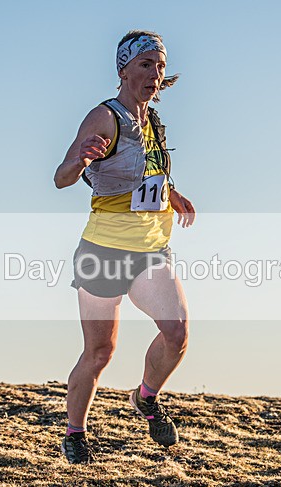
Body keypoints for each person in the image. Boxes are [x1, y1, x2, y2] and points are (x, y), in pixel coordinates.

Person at [54, 30, 196, 464]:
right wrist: (81, 159)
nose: (154, 73)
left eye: (159, 66)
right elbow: (61, 177)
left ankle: (145, 398)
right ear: (123, 70)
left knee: (177, 334)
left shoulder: (152, 121)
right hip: (105, 250)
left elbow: (145, 175)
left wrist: (172, 193)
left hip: (153, 249)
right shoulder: (105, 117)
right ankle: (75, 434)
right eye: (144, 64)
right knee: (100, 352)